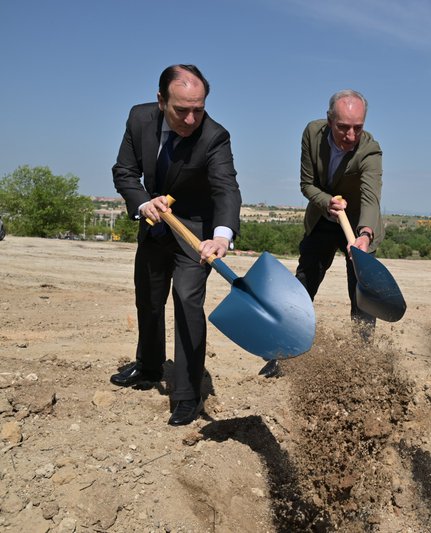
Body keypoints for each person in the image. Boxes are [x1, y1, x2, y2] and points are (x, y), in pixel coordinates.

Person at [110, 64, 242, 425]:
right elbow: (124, 171)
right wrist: (143, 202)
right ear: (160, 100)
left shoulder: (215, 136)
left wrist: (221, 235)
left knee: (186, 300)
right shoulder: (139, 119)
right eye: (181, 109)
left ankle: (186, 393)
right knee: (149, 299)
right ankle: (150, 367)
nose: (190, 118)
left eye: (198, 109)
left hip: (196, 234)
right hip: (154, 223)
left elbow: (226, 188)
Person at [261, 89, 383, 378]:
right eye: (343, 127)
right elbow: (307, 184)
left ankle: (361, 363)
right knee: (303, 285)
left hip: (357, 229)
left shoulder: (370, 150)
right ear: (329, 120)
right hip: (323, 219)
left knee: (362, 295)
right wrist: (326, 201)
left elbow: (370, 197)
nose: (351, 136)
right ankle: (282, 355)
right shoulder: (312, 134)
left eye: (358, 127)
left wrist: (364, 235)